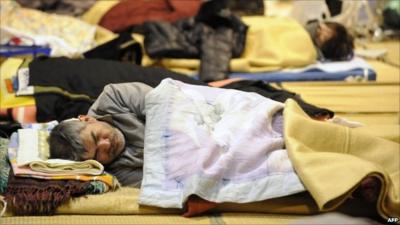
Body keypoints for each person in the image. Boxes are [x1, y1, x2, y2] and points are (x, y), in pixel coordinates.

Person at [48, 81, 383, 204]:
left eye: (97, 137)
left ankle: (328, 135)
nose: (107, 146)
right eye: (99, 154)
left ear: (87, 120)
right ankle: (349, 178)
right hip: (217, 152)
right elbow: (171, 177)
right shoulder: (116, 170)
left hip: (213, 117)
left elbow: (169, 104)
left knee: (275, 119)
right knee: (258, 169)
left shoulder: (113, 98)